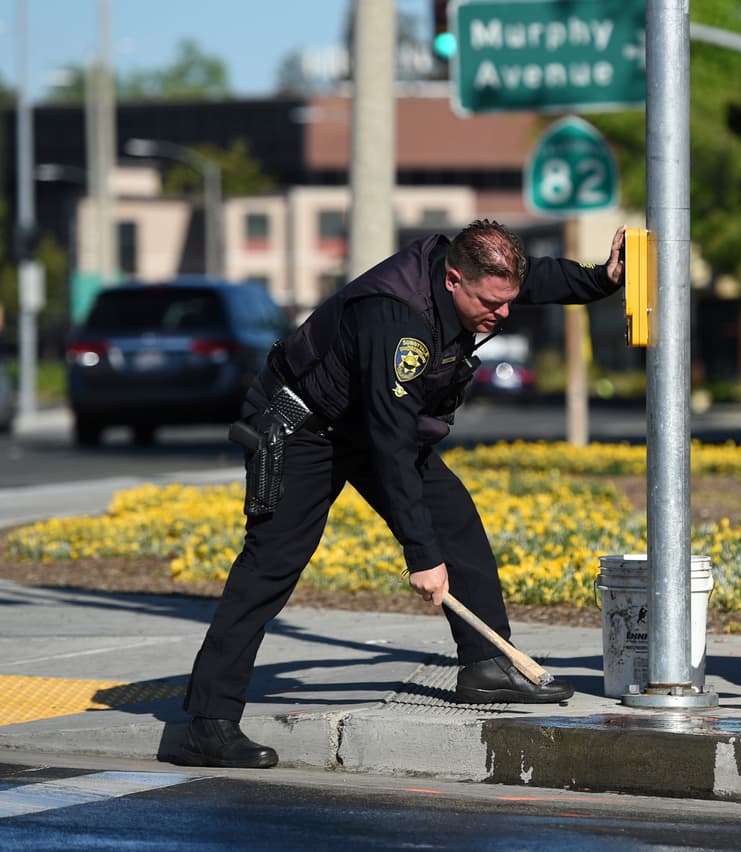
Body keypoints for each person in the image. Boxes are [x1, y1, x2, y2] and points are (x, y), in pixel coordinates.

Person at [175, 220, 626, 768]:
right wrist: (422, 557)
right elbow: (391, 446)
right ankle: (209, 722)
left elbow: (536, 281)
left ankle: (486, 666)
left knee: (455, 517)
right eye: (492, 302)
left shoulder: (474, 279)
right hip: (302, 429)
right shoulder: (397, 322)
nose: (504, 314)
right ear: (455, 280)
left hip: (365, 423)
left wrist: (602, 278)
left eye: (510, 300)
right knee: (271, 563)